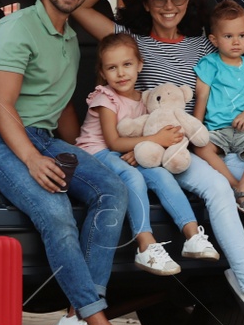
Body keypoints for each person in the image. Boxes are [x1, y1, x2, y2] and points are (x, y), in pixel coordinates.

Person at [73, 0, 244, 325]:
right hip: (164, 151)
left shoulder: (205, 46)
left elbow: (237, 85)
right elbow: (78, 5)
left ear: (189, 1)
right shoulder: (132, 42)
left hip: (207, 143)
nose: (169, 5)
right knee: (218, 189)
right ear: (145, 3)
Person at [0, 0, 144, 325]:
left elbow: (61, 107)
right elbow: (0, 106)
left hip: (44, 136)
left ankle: (74, 315)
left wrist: (94, 153)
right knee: (56, 210)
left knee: (111, 188)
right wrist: (30, 158)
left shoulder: (68, 38)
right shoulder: (15, 28)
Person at [75, 33, 222, 274]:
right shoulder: (105, 98)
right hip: (95, 154)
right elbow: (112, 141)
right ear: (102, 73)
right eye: (112, 68)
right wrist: (152, 141)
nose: (121, 73)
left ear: (140, 65)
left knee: (162, 176)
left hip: (124, 151)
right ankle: (145, 245)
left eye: (127, 65)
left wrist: (143, 146)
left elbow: (138, 136)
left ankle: (192, 235)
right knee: (132, 177)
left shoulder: (145, 99)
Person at [192, 1, 244, 215]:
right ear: (214, 39)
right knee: (201, 148)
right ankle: (235, 186)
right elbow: (201, 98)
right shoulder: (209, 64)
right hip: (217, 131)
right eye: (228, 36)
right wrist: (196, 130)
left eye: (241, 36)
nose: (236, 42)